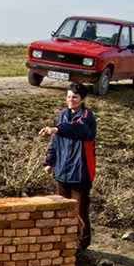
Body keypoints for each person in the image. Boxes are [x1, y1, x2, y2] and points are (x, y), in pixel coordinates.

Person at [39, 82, 97, 250]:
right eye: (68, 97)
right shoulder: (63, 115)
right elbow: (54, 142)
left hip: (80, 172)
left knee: (80, 212)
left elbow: (78, 129)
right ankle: (64, 241)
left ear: (82, 99)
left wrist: (57, 129)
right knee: (63, 209)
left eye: (75, 97)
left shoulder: (87, 117)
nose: (71, 100)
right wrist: (49, 162)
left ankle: (82, 245)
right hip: (62, 171)